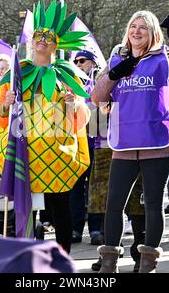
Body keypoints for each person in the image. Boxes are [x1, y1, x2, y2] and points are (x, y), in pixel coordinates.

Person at [91, 11, 169, 273]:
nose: (136, 32)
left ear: (152, 33)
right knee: (113, 204)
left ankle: (148, 265)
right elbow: (97, 96)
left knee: (152, 203)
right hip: (124, 143)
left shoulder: (163, 56)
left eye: (143, 28)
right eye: (132, 27)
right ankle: (109, 263)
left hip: (157, 142)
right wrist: (115, 73)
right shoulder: (117, 57)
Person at [0, 0, 91, 253]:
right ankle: (30, 257)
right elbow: (0, 116)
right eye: (38, 35)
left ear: (57, 44)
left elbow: (81, 118)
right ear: (31, 41)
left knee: (59, 207)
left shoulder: (68, 75)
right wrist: (6, 104)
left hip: (56, 153)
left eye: (48, 37)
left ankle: (63, 258)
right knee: (26, 207)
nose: (42, 39)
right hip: (26, 152)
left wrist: (73, 104)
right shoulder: (16, 72)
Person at [70, 49, 103, 245]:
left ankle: (96, 229)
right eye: (76, 61)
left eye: (82, 60)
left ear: (93, 63)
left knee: (95, 187)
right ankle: (75, 228)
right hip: (76, 144)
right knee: (75, 188)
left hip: (97, 143)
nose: (78, 64)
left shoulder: (100, 83)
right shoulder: (70, 84)